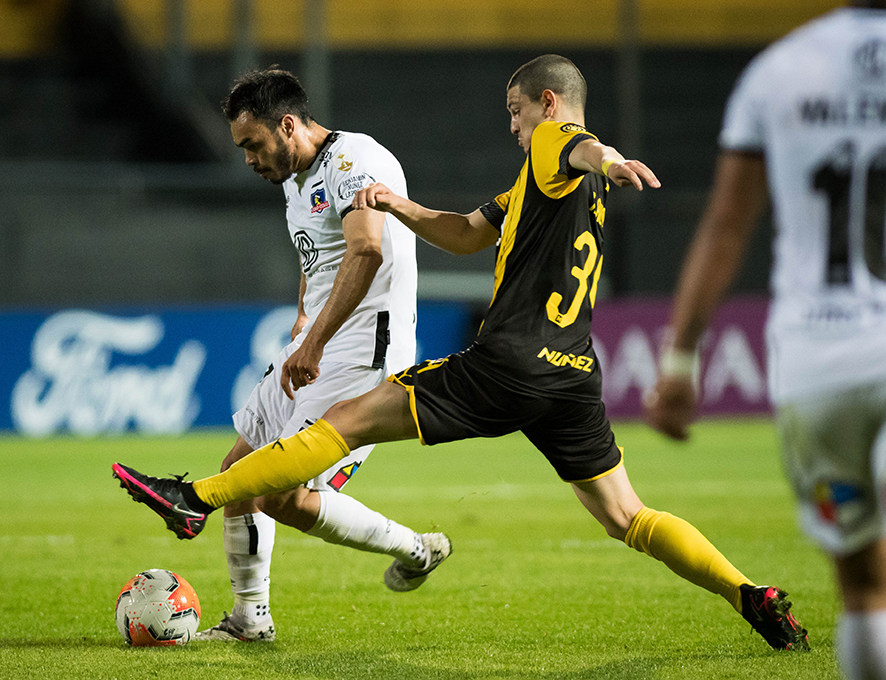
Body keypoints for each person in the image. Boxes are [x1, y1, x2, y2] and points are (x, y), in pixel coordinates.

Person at [115, 54, 808, 650]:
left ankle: (194, 496)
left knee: (346, 424)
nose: (511, 125)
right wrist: (401, 207)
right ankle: (748, 594)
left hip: (505, 361)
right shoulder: (542, 189)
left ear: (545, 102)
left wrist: (609, 155)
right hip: (570, 375)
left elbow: (576, 143)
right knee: (629, 517)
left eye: (515, 111)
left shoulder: (556, 143)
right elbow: (472, 233)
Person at [116, 68, 452, 643]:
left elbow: (366, 250)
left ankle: (417, 550)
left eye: (252, 144)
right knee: (238, 470)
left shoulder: (355, 161)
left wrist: (316, 341)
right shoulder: (298, 184)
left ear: (288, 125)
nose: (248, 159)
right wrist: (303, 323)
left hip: (364, 352)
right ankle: (250, 620)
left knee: (282, 495)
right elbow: (316, 262)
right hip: (317, 344)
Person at [644, 2, 886, 675]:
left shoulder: (780, 71)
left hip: (820, 364)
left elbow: (725, 227)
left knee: (865, 589)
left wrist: (681, 359)